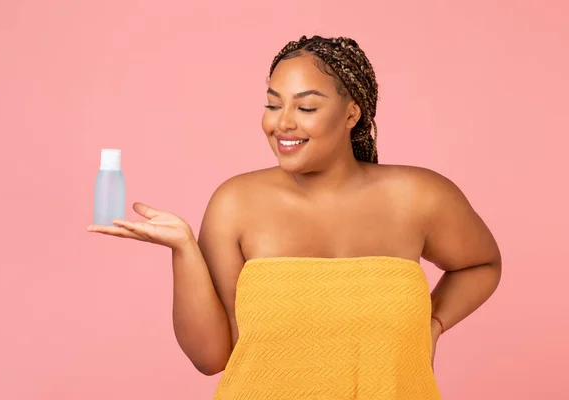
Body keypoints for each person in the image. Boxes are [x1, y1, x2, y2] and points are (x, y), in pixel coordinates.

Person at [87, 35, 502, 399]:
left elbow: (482, 264)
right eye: (272, 104)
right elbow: (212, 358)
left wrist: (433, 321)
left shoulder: (419, 195)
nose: (281, 123)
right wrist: (183, 249)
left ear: (351, 115)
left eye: (305, 107)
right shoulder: (237, 203)